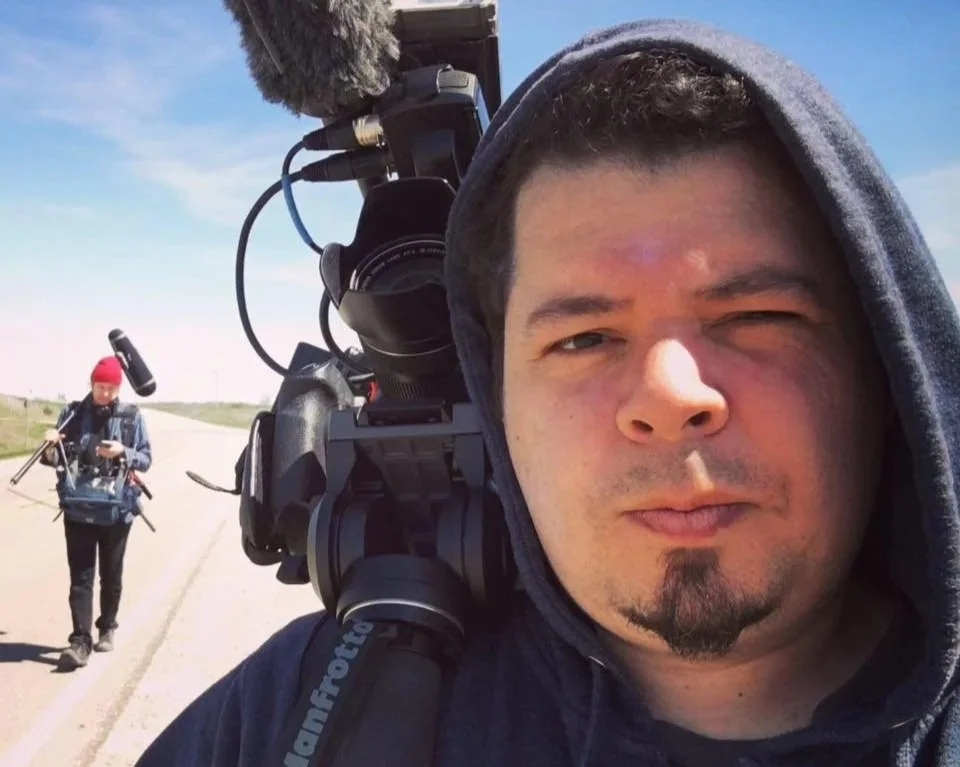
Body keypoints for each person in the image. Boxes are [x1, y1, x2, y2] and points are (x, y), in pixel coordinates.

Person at [133, 18, 960, 767]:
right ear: (500, 405)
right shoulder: (300, 713)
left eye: (757, 315)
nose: (670, 394)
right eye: (585, 337)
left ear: (882, 362)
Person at [41, 355, 152, 671]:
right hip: (77, 508)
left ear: (118, 388)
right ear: (91, 384)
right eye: (100, 386)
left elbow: (145, 458)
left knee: (111, 575)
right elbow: (53, 460)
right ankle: (79, 642)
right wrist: (49, 446)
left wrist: (124, 452)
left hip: (117, 512)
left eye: (111, 388)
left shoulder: (131, 418)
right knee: (81, 577)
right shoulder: (72, 414)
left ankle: (108, 625)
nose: (105, 393)